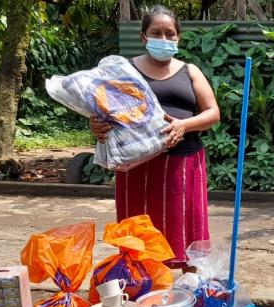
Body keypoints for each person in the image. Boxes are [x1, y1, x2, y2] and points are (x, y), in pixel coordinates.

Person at [90, 5, 220, 269]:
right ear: (143, 37)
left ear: (178, 37)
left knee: (185, 223)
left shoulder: (190, 71)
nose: (164, 39)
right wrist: (96, 124)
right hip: (136, 165)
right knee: (138, 226)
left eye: (170, 34)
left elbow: (213, 113)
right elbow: (103, 109)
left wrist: (184, 125)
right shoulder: (125, 70)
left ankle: (189, 287)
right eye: (156, 32)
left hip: (182, 163)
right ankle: (140, 283)